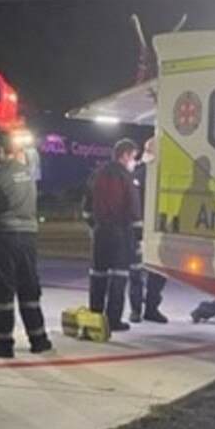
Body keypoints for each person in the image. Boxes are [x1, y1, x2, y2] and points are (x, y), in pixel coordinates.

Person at [0, 129, 51, 358]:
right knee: (29, 288)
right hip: (28, 238)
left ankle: (3, 343)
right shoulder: (27, 174)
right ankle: (39, 339)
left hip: (3, 237)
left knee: (2, 292)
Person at [82, 138, 140, 332]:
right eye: (133, 157)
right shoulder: (126, 178)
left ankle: (95, 317)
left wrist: (94, 225)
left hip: (100, 233)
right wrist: (138, 237)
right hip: (120, 233)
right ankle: (113, 320)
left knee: (97, 275)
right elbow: (133, 209)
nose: (134, 161)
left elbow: (86, 208)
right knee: (119, 276)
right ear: (124, 155)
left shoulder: (96, 174)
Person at [128, 137, 167, 323]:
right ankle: (138, 309)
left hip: (157, 230)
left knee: (158, 271)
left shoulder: (156, 173)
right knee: (137, 270)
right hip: (139, 230)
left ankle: (150, 308)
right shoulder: (139, 174)